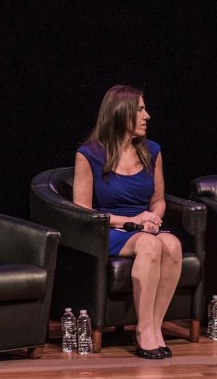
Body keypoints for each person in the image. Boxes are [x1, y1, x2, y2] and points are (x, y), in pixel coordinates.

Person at [73, 85, 181, 360]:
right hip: (108, 228)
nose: (148, 116)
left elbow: (158, 199)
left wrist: (155, 217)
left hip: (144, 226)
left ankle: (156, 327)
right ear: (121, 113)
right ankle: (143, 329)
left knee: (173, 244)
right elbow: (82, 210)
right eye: (141, 110)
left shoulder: (152, 151)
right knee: (149, 245)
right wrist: (132, 221)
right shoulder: (90, 154)